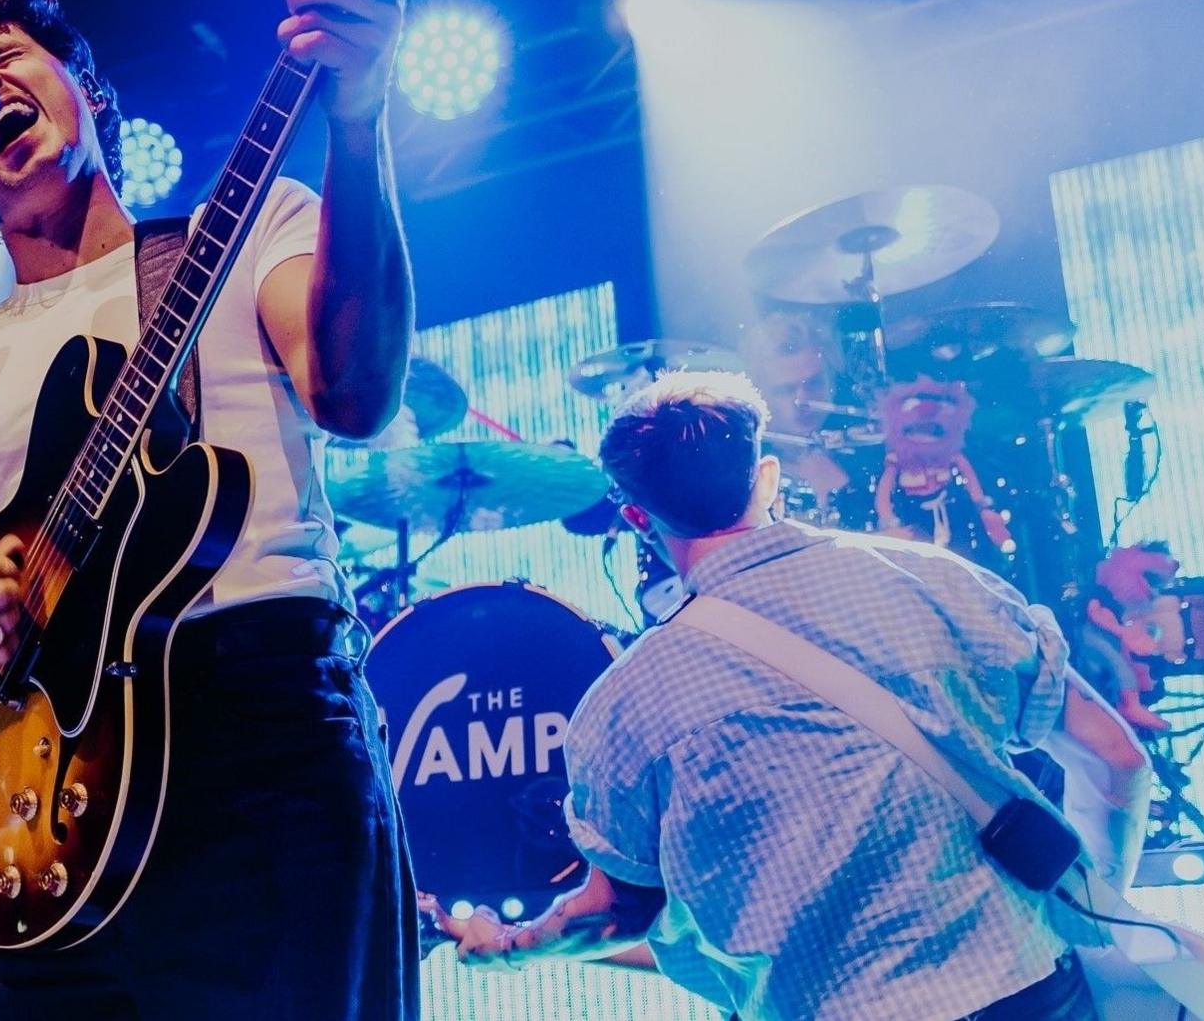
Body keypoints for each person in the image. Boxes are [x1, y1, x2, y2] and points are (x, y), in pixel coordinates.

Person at [0, 0, 419, 1020]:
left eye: (5, 53)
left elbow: (354, 392)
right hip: (28, 815)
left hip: (256, 749)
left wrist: (361, 116)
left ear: (84, 89)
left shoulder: (244, 231)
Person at [434, 370, 1151, 1021]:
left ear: (636, 519)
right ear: (768, 477)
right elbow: (1118, 758)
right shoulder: (936, 580)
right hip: (1030, 993)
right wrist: (1096, 908)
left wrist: (512, 947)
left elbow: (614, 916)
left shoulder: (621, 707)